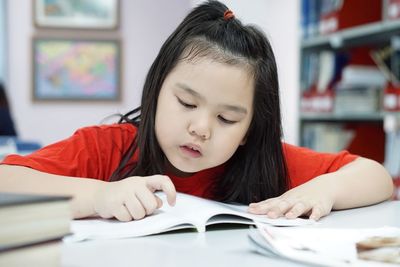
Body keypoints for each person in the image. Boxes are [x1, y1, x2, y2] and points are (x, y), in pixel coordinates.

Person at [0, 1, 393, 222]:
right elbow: (7, 182)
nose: (201, 128)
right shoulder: (107, 148)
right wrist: (99, 195)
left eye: (227, 119)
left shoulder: (262, 161)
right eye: (186, 103)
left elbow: (374, 175)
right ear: (156, 88)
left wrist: (324, 189)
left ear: (250, 128)